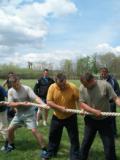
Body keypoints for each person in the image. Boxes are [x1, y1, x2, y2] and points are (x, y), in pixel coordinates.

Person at [79, 72, 120, 160]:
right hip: (90, 120)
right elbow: (82, 103)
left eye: (86, 84)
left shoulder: (105, 85)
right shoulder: (82, 87)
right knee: (85, 143)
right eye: (83, 84)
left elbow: (116, 98)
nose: (84, 86)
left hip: (105, 121)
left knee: (109, 146)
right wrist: (93, 111)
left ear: (92, 80)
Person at [2, 75, 47, 153]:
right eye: (13, 85)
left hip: (29, 113)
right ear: (11, 84)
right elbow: (11, 104)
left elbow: (35, 98)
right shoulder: (11, 91)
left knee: (34, 130)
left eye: (17, 84)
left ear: (19, 81)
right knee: (10, 130)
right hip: (19, 114)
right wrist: (22, 103)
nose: (16, 86)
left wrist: (43, 104)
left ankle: (44, 150)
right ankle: (11, 145)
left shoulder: (26, 89)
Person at [41, 73, 80, 160]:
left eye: (64, 84)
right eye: (60, 85)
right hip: (57, 116)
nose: (62, 86)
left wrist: (81, 109)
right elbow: (49, 102)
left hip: (71, 116)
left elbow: (78, 99)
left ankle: (75, 156)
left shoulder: (73, 87)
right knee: (53, 136)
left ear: (66, 80)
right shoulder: (52, 87)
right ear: (56, 82)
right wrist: (60, 108)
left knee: (74, 138)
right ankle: (51, 153)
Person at [100, 67, 120, 137]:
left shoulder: (113, 80)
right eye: (101, 73)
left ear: (107, 73)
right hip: (102, 103)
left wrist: (114, 99)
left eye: (104, 73)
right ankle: (103, 133)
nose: (102, 74)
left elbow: (117, 91)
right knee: (102, 118)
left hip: (111, 103)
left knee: (111, 118)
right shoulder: (100, 80)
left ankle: (114, 134)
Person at [0, 85, 8, 150]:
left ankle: (7, 144)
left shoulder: (0, 88)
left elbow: (7, 95)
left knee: (3, 127)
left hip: (1, 110)